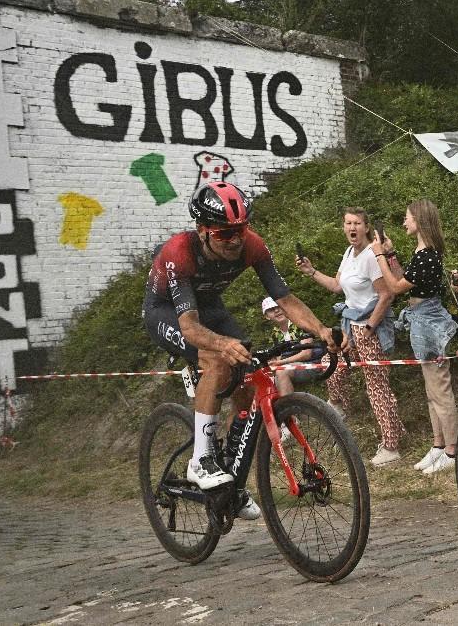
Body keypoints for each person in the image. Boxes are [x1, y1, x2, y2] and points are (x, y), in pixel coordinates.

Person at [142, 182, 339, 519]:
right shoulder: (179, 252)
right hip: (168, 313)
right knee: (217, 358)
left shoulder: (253, 245)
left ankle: (231, 474)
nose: (234, 240)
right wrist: (220, 343)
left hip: (210, 307)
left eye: (240, 230)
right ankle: (201, 460)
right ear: (203, 231)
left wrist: (321, 329)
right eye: (223, 234)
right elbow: (189, 326)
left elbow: (286, 299)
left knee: (249, 376)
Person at [296, 207, 404, 468]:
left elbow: (386, 294)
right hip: (350, 325)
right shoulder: (349, 253)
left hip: (370, 327)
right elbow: (337, 286)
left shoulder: (370, 256)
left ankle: (391, 446)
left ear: (366, 228)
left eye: (356, 223)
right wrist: (311, 272)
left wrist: (369, 328)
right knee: (332, 368)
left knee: (377, 386)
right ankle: (339, 408)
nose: (352, 227)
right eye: (347, 223)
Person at [374, 200, 458, 476]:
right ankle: (438, 446)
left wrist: (378, 256)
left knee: (440, 388)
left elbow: (396, 286)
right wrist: (390, 254)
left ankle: (453, 450)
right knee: (431, 389)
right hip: (421, 318)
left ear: (420, 220)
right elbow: (405, 277)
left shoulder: (428, 255)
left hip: (429, 319)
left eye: (407, 217)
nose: (404, 223)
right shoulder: (422, 252)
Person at [261, 296, 324, 396]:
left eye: (279, 306)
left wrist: (280, 362)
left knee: (281, 372)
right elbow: (278, 357)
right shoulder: (275, 333)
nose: (277, 310)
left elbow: (306, 354)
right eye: (271, 309)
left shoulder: (300, 324)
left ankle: (289, 409)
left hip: (313, 364)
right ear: (267, 316)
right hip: (292, 367)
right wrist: (274, 363)